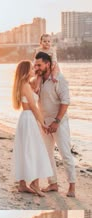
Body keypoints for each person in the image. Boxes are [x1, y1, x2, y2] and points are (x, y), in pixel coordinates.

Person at [34, 51, 76, 197]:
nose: (36, 67)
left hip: (59, 123)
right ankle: (53, 183)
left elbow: (66, 101)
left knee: (65, 153)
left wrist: (57, 122)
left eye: (39, 65)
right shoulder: (38, 80)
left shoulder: (59, 79)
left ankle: (72, 186)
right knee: (47, 154)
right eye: (35, 65)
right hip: (44, 124)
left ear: (48, 64)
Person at [12, 60, 53, 197]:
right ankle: (35, 184)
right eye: (31, 68)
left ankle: (22, 184)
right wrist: (43, 123)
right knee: (35, 149)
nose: (33, 70)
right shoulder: (25, 85)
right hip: (29, 119)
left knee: (25, 149)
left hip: (25, 118)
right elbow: (34, 107)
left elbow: (31, 97)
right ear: (25, 71)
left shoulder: (23, 85)